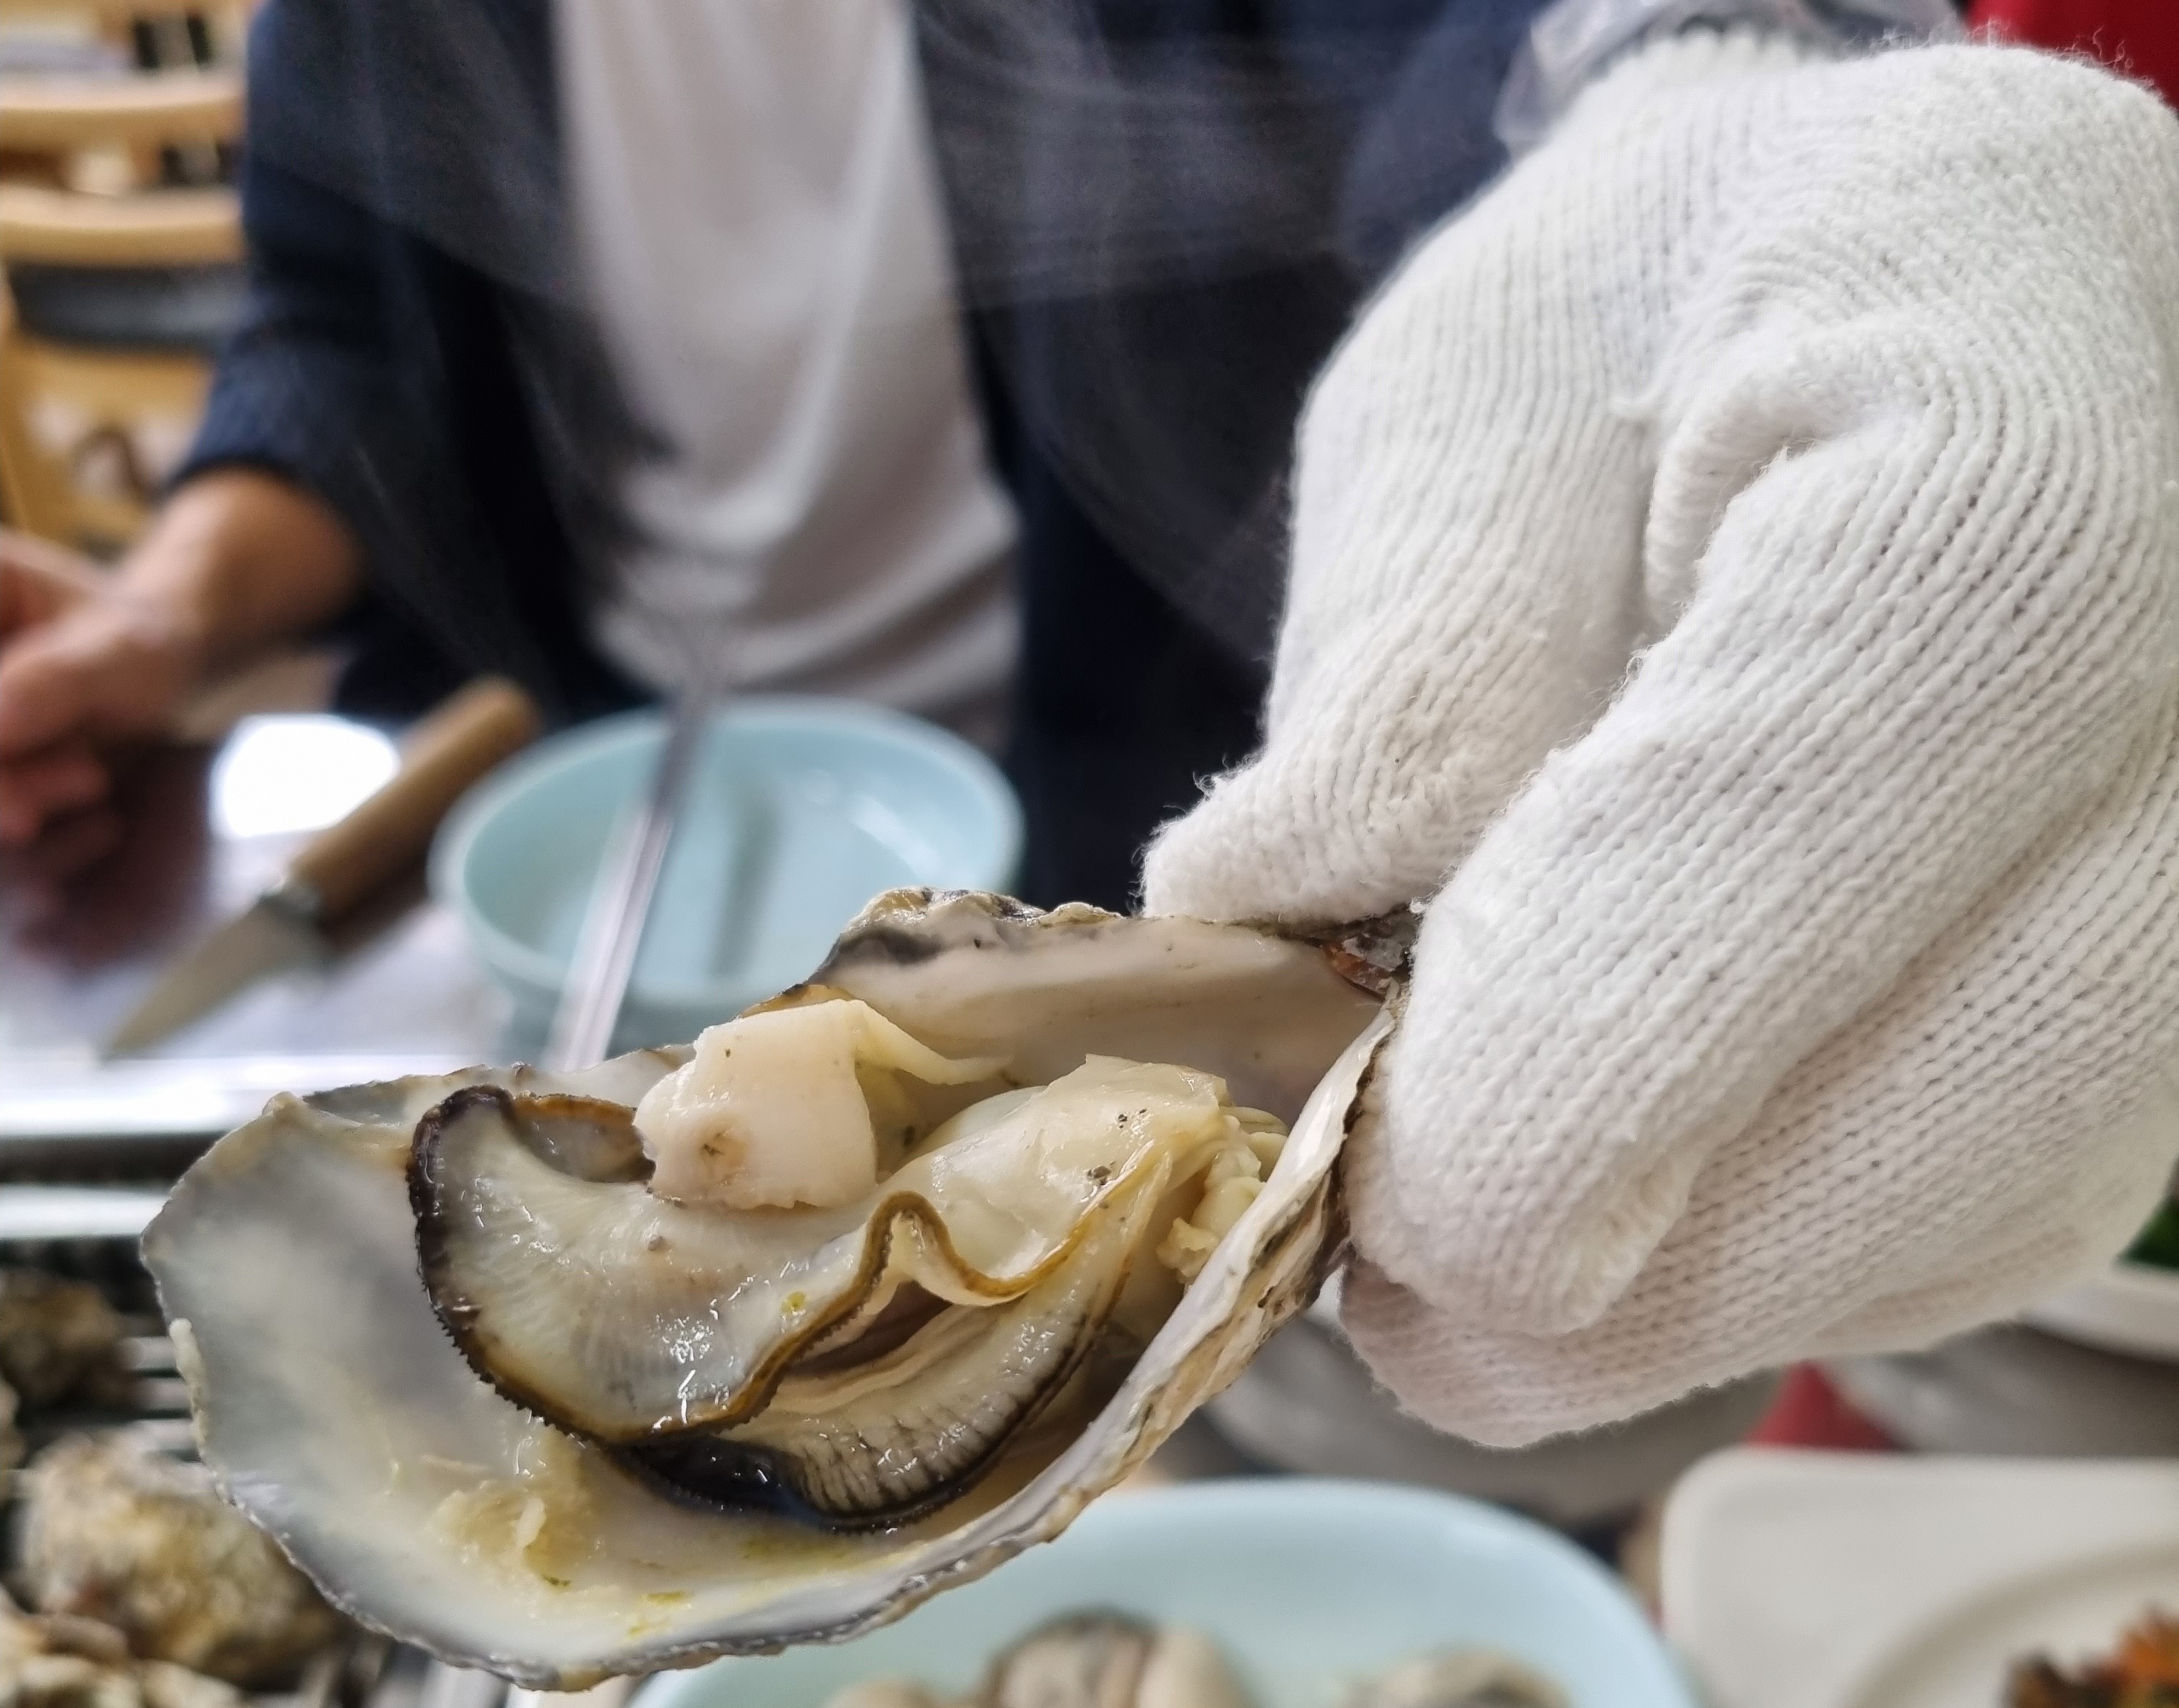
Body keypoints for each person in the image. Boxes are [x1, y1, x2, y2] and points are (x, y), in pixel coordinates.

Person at [4, 0, 2177, 1449]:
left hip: (1175, 817)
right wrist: (172, 605)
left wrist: (1699, 76)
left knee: (1418, 1369)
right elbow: (338, 340)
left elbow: (1457, 42)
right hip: (627, 849)